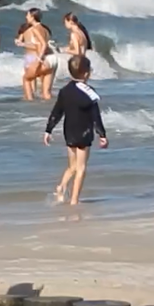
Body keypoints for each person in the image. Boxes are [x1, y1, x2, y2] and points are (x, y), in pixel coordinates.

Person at [44, 55, 109, 206]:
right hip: (83, 133)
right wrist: (102, 135)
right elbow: (95, 116)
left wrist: (48, 130)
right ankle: (74, 200)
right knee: (81, 168)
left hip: (69, 133)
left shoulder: (64, 91)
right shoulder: (89, 92)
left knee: (72, 166)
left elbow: (56, 112)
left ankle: (61, 187)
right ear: (86, 73)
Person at [16, 8, 52, 101]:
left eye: (27, 15)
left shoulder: (31, 29)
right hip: (46, 57)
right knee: (44, 88)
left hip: (31, 56)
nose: (26, 17)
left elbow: (38, 44)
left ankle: (30, 100)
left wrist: (22, 43)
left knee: (28, 80)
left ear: (33, 17)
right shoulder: (45, 29)